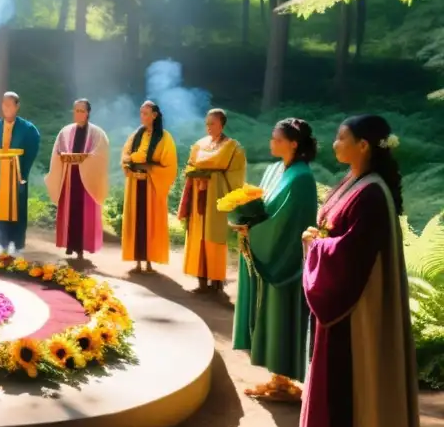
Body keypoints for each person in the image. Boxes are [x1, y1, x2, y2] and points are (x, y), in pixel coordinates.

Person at [300, 115, 423, 427]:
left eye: (341, 138)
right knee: (340, 371)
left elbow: (355, 250)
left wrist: (316, 245)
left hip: (363, 301)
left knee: (357, 371)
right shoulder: (356, 181)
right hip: (349, 293)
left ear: (364, 145)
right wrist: (320, 238)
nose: (335, 144)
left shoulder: (371, 191)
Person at [234, 118, 318, 402]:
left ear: (294, 143)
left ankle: (284, 380)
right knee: (266, 315)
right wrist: (245, 218)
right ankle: (276, 378)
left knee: (282, 315)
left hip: (284, 258)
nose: (272, 142)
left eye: (277, 138)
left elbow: (289, 221)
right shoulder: (274, 169)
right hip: (266, 248)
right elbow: (263, 203)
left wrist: (253, 229)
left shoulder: (302, 177)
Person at [177, 109, 247, 294]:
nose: (209, 127)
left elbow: (234, 173)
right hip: (198, 196)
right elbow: (192, 164)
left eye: (212, 123)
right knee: (198, 236)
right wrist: (197, 173)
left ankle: (216, 279)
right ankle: (200, 278)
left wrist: (211, 174)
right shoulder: (199, 144)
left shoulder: (232, 147)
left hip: (216, 197)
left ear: (222, 124)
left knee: (214, 236)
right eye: (207, 124)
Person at [44, 99, 109, 259]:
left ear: (87, 113)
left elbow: (101, 154)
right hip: (69, 177)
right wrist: (63, 157)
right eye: (76, 110)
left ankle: (81, 247)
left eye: (81, 110)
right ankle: (69, 244)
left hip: (86, 179)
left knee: (83, 214)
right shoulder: (65, 132)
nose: (78, 113)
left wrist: (85, 159)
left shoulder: (96, 133)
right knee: (69, 211)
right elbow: (57, 152)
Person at [120, 100, 178, 273]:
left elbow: (169, 165)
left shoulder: (165, 137)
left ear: (154, 115)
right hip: (135, 183)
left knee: (150, 221)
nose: (142, 116)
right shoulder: (136, 134)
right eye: (141, 113)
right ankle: (137, 260)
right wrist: (131, 161)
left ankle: (150, 261)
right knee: (136, 221)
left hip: (152, 184)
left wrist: (149, 166)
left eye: (145, 113)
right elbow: (125, 154)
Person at [0, 91, 41, 253]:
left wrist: (23, 169)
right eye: (4, 104)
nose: (6, 108)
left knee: (17, 208)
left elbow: (32, 148)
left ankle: (17, 244)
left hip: (17, 175)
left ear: (17, 106)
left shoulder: (28, 129)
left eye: (10, 104)